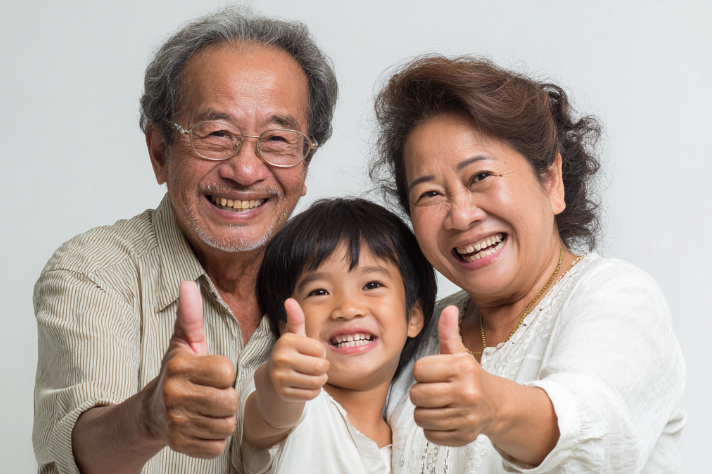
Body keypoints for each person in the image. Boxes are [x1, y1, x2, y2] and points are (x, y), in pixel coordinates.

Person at [32, 6, 338, 474]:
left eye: (278, 139)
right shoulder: (94, 271)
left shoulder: (336, 282)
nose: (247, 170)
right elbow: (76, 450)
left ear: (305, 163)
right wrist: (148, 418)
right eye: (217, 134)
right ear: (159, 152)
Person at [370, 55, 686, 473]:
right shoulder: (420, 328)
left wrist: (491, 406)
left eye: (480, 176)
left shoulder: (619, 297)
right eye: (429, 194)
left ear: (551, 179)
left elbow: (596, 428)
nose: (461, 216)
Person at [239, 198, 437, 473]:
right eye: (318, 291)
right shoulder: (303, 402)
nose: (347, 308)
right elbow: (269, 416)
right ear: (284, 326)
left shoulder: (411, 436)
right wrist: (278, 385)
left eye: (372, 284)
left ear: (413, 315)